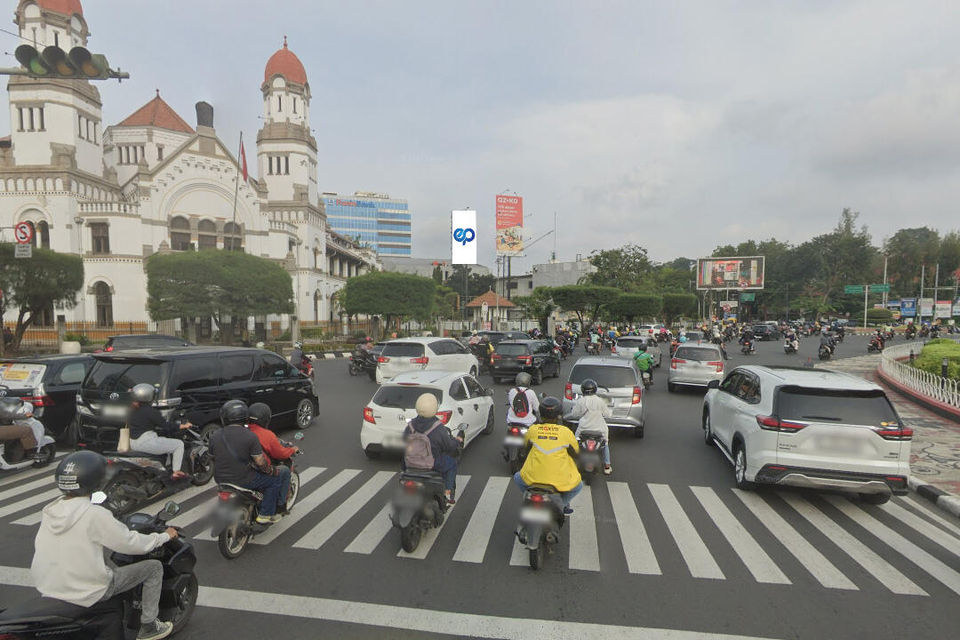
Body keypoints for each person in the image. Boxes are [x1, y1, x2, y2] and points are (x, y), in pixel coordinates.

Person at [31, 451, 177, 640]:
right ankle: (149, 625)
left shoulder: (51, 510)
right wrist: (164, 536)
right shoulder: (94, 515)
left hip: (47, 584)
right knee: (154, 568)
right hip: (87, 590)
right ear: (96, 481)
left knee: (101, 556)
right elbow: (131, 544)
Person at [208, 400, 290, 524]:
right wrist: (272, 471)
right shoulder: (250, 437)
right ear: (245, 418)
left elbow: (212, 457)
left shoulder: (215, 435)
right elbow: (260, 462)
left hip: (220, 478)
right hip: (245, 479)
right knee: (275, 480)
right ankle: (265, 514)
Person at [513, 396, 583, 514]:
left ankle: (529, 499)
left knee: (517, 477)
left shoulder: (533, 430)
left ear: (541, 414)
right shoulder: (566, 432)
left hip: (532, 478)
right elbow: (576, 453)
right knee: (578, 486)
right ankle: (561, 505)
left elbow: (524, 448)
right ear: (559, 415)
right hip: (560, 480)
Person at [402, 393, 463, 503]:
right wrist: (457, 441)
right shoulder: (438, 427)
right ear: (434, 408)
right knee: (452, 464)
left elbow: (404, 443)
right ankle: (448, 493)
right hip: (432, 463)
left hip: (410, 463)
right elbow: (449, 447)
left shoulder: (410, 426)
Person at [127, 384, 192, 480]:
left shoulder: (132, 410)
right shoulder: (151, 411)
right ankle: (176, 472)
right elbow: (166, 426)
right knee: (178, 444)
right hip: (146, 442)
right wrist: (183, 426)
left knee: (163, 441)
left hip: (133, 443)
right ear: (149, 397)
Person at [566, 379, 612, 474]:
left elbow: (574, 414)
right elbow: (608, 415)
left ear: (583, 390)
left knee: (575, 443)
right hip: (600, 429)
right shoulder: (600, 401)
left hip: (583, 429)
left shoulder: (581, 401)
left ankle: (572, 463)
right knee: (605, 444)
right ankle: (607, 466)